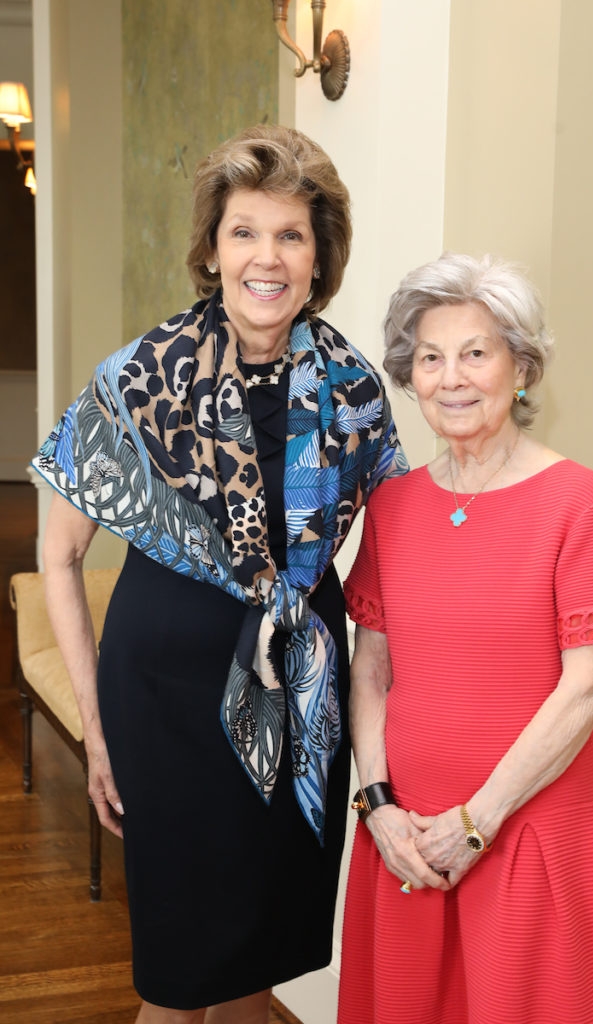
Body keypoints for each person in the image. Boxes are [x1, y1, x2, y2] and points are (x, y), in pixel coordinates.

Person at [34, 124, 408, 1024]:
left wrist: (548, 532)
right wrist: (97, 727)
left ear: (320, 258)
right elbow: (59, 553)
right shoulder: (137, 380)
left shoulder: (356, 391)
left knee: (258, 961)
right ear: (212, 248)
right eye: (244, 231)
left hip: (301, 708)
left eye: (290, 234)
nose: (265, 258)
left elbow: (413, 540)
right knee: (175, 976)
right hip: (160, 708)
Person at [338, 253, 593, 1024]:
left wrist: (476, 823)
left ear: (521, 367)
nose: (451, 377)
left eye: (475, 352)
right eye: (430, 358)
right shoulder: (394, 506)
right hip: (403, 838)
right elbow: (370, 669)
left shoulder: (575, 499)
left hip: (524, 836)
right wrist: (376, 805)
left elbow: (587, 688)